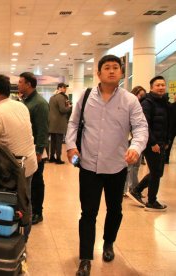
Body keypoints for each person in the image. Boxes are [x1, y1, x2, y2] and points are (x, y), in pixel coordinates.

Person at [65, 55, 148, 276]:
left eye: (115, 68)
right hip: (89, 165)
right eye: (107, 68)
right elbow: (73, 123)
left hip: (117, 166)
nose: (111, 71)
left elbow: (141, 127)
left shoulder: (129, 100)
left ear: (121, 73)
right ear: (99, 73)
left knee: (115, 210)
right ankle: (85, 258)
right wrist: (71, 146)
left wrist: (136, 148)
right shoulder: (85, 97)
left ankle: (109, 242)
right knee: (88, 212)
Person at [0, 74, 37, 241]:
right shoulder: (21, 106)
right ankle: (24, 237)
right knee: (25, 200)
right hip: (28, 163)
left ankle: (12, 238)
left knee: (10, 204)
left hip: (11, 169)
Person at [129, 76, 170, 211]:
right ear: (152, 87)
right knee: (156, 172)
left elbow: (167, 124)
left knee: (157, 172)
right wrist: (152, 142)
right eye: (158, 85)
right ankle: (152, 201)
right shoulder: (147, 103)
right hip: (151, 143)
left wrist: (166, 141)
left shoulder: (164, 102)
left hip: (161, 142)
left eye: (163, 85)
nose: (161, 87)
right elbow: (144, 125)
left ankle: (136, 190)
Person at [18, 72, 49, 224]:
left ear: (28, 84)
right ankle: (28, 208)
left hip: (35, 149)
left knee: (37, 181)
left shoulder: (40, 103)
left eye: (20, 82)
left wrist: (39, 151)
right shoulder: (25, 101)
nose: (18, 84)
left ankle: (38, 212)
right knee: (27, 181)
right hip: (25, 147)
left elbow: (43, 129)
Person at [123, 86, 147, 195]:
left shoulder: (141, 105)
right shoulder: (130, 104)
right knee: (130, 167)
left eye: (142, 96)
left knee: (134, 166)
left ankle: (132, 188)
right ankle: (132, 189)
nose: (140, 97)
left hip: (137, 140)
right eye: (139, 95)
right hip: (130, 139)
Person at [48, 83, 72, 164]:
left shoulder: (52, 97)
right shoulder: (62, 97)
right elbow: (62, 110)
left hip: (52, 123)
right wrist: (69, 107)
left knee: (53, 141)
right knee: (58, 142)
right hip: (59, 123)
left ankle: (51, 157)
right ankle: (58, 158)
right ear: (59, 88)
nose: (65, 89)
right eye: (64, 87)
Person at [165, 92, 176, 164]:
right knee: (169, 143)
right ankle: (166, 158)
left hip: (172, 127)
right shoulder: (171, 106)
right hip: (172, 127)